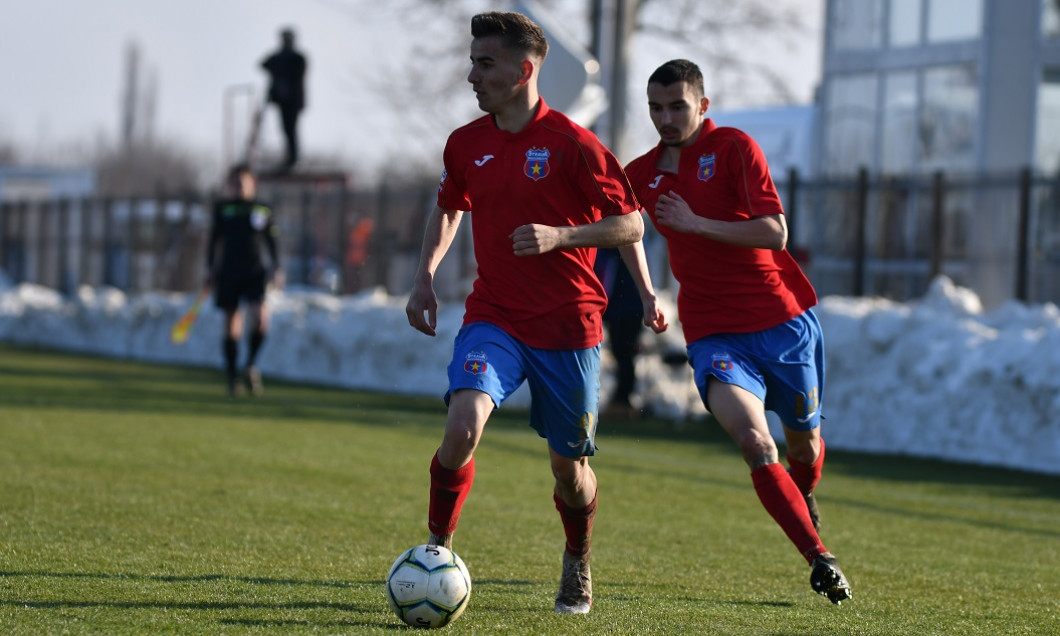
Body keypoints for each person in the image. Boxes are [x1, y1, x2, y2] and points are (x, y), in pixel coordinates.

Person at [404, 11, 666, 615]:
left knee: (568, 472)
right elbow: (449, 207)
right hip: (494, 316)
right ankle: (437, 552)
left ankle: (577, 558)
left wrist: (561, 237)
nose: (472, 74)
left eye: (485, 63)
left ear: (524, 71)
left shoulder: (575, 145)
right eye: (472, 61)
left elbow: (631, 223)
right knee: (462, 424)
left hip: (568, 325)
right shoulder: (466, 143)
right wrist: (423, 278)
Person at [623, 59, 852, 605]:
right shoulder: (641, 172)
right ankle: (821, 558)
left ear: (702, 105)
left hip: (782, 323)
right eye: (656, 108)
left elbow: (775, 233)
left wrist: (696, 224)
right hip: (713, 335)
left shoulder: (735, 148)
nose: (666, 117)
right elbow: (619, 225)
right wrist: (648, 291)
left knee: (805, 441)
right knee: (755, 442)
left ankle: (807, 494)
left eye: (677, 105)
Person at [206, 164, 283, 397]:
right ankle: (232, 377)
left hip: (255, 272)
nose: (240, 186)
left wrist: (277, 267)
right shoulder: (223, 209)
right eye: (235, 182)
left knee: (260, 318)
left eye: (244, 181)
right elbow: (213, 241)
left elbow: (272, 241)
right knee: (232, 324)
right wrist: (210, 268)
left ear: (252, 182)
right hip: (229, 271)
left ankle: (250, 365)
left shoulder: (262, 209)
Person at [594, 247, 646, 418]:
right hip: (620, 306)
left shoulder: (621, 248)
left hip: (626, 308)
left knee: (625, 355)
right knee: (621, 354)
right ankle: (622, 399)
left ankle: (623, 400)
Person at [260, 27, 307, 170]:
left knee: (291, 129)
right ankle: (289, 158)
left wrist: (281, 70)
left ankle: (293, 158)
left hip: (293, 101)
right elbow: (263, 64)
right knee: (285, 129)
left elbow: (296, 74)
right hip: (282, 101)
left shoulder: (298, 58)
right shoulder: (278, 58)